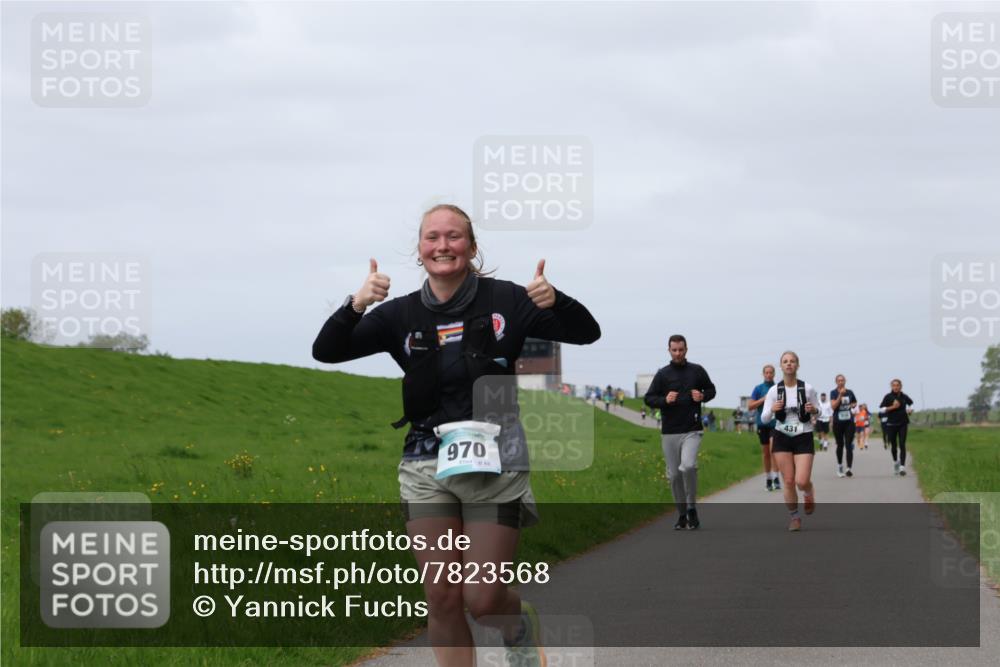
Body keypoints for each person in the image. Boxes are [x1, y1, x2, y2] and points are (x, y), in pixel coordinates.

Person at [312, 203, 600, 667]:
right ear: (419, 249)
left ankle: (518, 624)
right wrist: (357, 304)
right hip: (426, 464)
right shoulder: (399, 315)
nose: (442, 246)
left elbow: (588, 333)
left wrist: (556, 299)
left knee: (483, 599)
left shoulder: (508, 300)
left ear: (471, 246)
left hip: (497, 463)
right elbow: (327, 351)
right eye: (432, 238)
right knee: (443, 597)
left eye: (453, 236)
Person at [644, 335, 717, 530]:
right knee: (674, 476)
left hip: (692, 429)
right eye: (674, 350)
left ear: (686, 349)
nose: (678, 353)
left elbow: (711, 389)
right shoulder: (662, 374)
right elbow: (649, 398)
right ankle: (682, 514)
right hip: (669, 432)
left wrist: (702, 396)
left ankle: (692, 507)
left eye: (681, 350)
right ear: (669, 350)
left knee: (689, 466)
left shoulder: (697, 370)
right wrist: (664, 400)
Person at [760, 351, 820, 532]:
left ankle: (808, 492)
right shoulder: (773, 391)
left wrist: (814, 410)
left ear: (797, 365)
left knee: (801, 481)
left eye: (792, 361)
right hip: (782, 435)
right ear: (781, 366)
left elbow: (823, 413)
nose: (789, 364)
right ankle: (794, 517)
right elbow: (764, 419)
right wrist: (771, 409)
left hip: (803, 435)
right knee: (788, 480)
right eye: (785, 361)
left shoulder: (807, 389)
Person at [747, 364, 780, 492]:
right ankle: (768, 478)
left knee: (773, 450)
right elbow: (750, 406)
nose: (768, 375)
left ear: (774, 374)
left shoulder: (778, 388)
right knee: (766, 453)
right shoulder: (758, 388)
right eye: (766, 372)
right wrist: (764, 399)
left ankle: (776, 477)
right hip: (762, 424)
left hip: (776, 424)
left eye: (771, 372)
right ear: (763, 374)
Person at [880, 379, 915, 476]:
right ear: (891, 386)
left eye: (897, 385)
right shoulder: (888, 397)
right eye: (894, 385)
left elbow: (911, 403)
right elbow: (882, 409)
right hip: (891, 424)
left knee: (902, 444)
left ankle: (902, 467)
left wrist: (910, 410)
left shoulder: (904, 396)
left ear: (901, 386)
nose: (895, 387)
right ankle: (896, 462)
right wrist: (892, 407)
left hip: (903, 423)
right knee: (894, 446)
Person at [830, 374, 858, 478]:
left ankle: (849, 468)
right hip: (838, 422)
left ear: (845, 381)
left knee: (848, 444)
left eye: (842, 380)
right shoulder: (833, 393)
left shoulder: (850, 392)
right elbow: (833, 406)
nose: (841, 382)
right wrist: (840, 396)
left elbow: (854, 401)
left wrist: (853, 405)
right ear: (836, 382)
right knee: (840, 445)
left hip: (849, 421)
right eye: (839, 380)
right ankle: (840, 466)